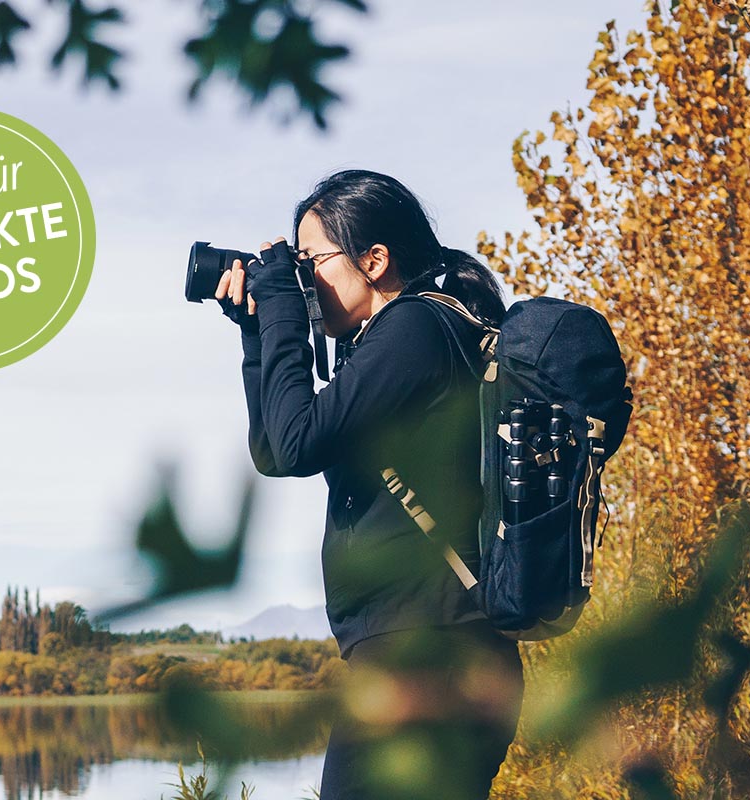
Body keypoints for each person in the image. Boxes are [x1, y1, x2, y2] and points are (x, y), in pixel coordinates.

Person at [215, 169, 525, 800]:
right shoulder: (407, 340)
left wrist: (279, 311)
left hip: (429, 656)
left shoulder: (414, 330)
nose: (303, 279)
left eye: (311, 262)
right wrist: (259, 330)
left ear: (375, 259)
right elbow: (278, 448)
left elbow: (298, 442)